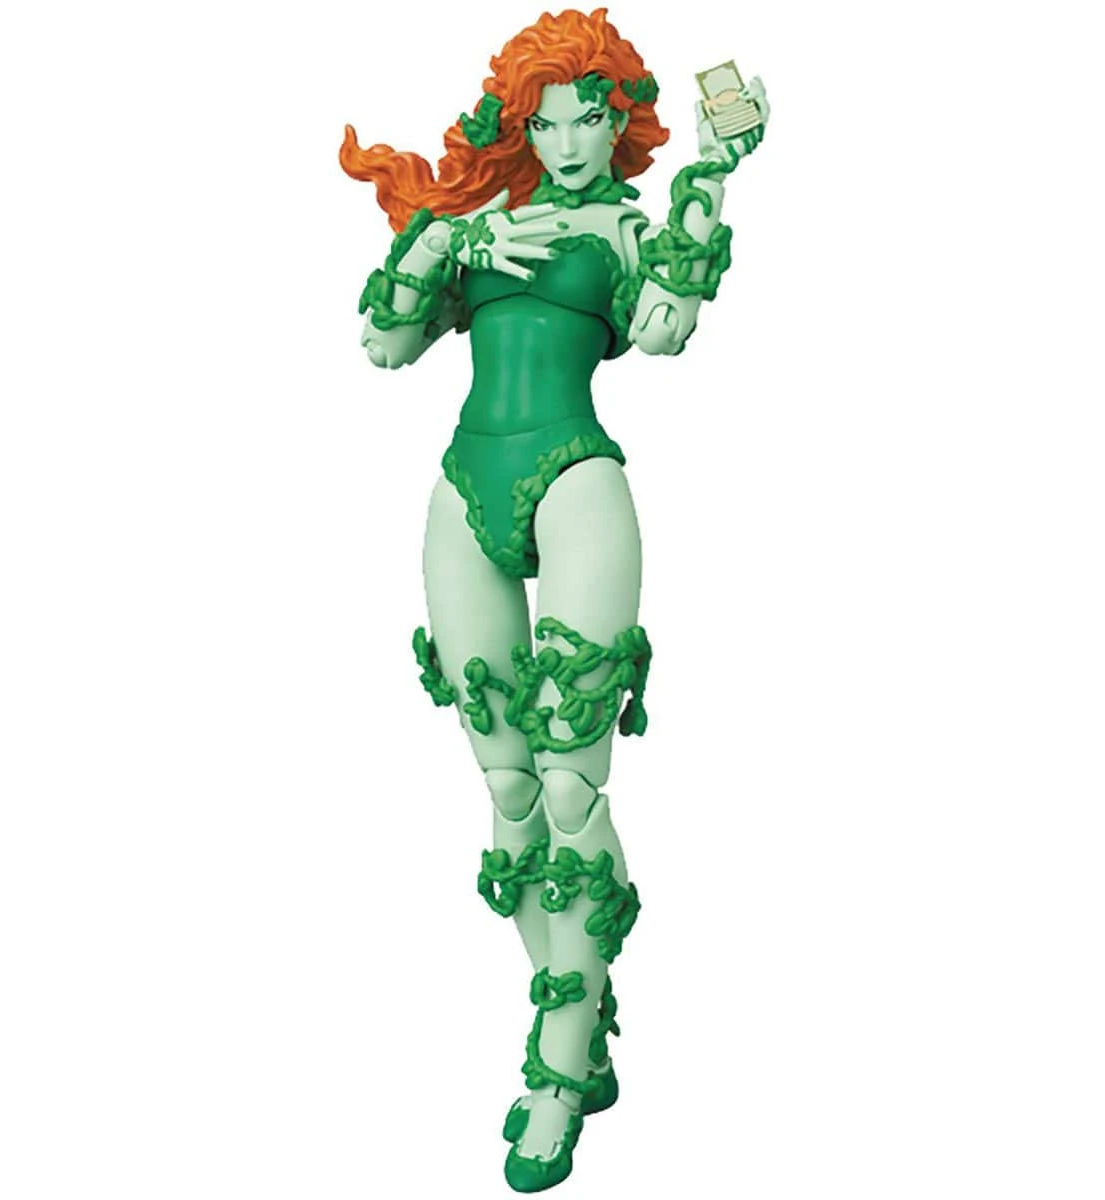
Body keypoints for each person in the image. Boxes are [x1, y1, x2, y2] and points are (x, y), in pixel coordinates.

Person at [340, 8, 768, 1191]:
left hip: (577, 481)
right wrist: (443, 242)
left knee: (574, 788)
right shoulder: (482, 223)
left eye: (590, 120)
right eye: (549, 122)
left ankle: (558, 1064)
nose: (570, 142)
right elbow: (381, 344)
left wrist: (712, 178)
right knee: (512, 793)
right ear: (520, 126)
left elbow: (664, 329)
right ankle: (582, 1011)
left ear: (617, 124)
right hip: (462, 490)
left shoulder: (629, 225)